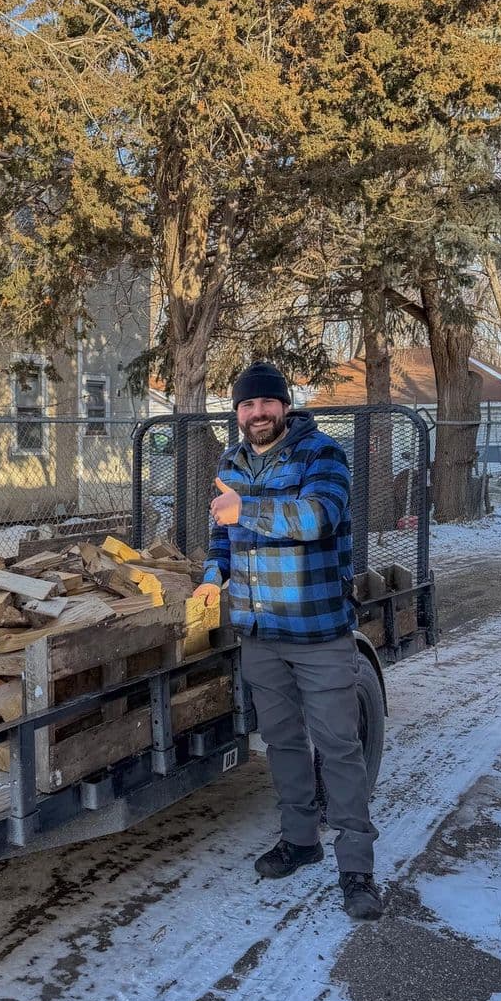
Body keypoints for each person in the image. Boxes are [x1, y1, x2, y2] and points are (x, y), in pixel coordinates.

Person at [192, 361, 382, 921]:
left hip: (318, 630)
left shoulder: (321, 453)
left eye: (266, 403)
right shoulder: (231, 461)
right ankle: (300, 841)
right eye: (247, 405)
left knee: (339, 748)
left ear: (285, 404)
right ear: (237, 411)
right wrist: (211, 572)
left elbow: (320, 516)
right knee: (282, 743)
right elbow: (221, 534)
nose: (257, 414)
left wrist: (245, 507)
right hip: (260, 633)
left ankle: (357, 869)